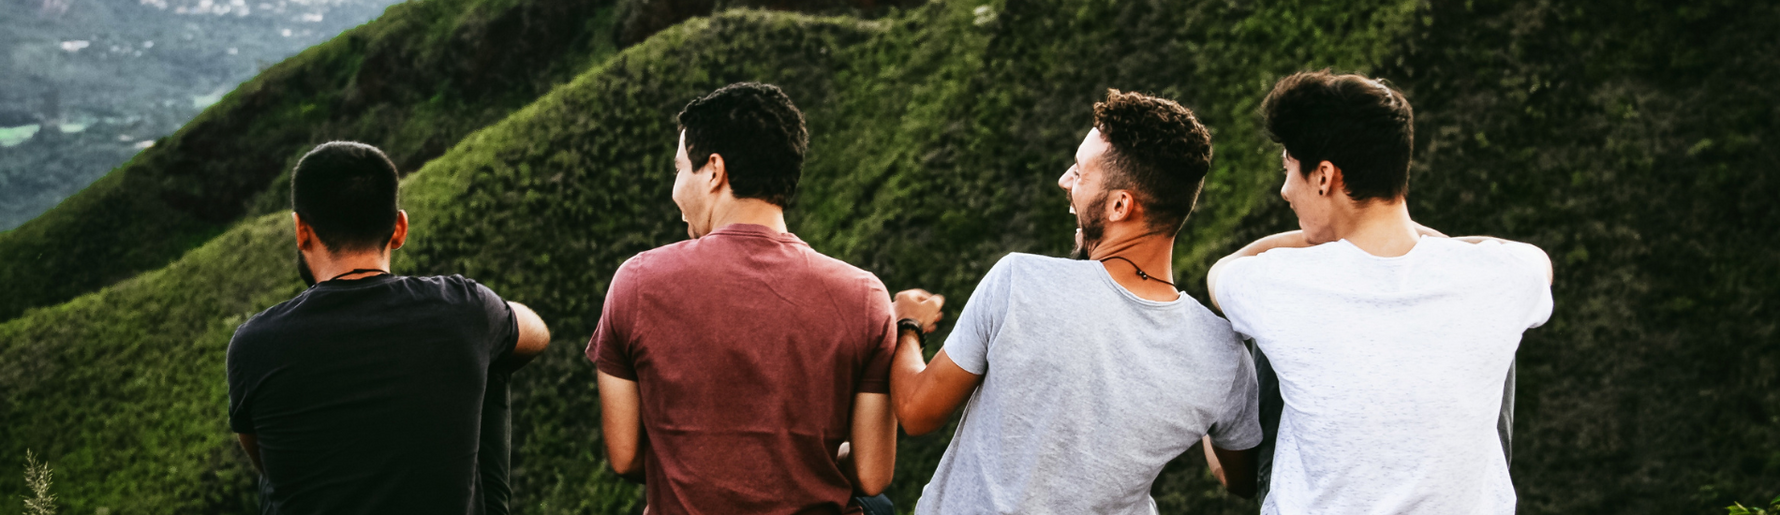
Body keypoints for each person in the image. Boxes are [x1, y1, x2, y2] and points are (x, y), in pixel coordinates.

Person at [890, 89, 1263, 514]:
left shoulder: (1019, 282)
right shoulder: (1222, 355)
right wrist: (1197, 402)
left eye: (1081, 173)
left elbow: (916, 411)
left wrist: (908, 326)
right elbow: (1242, 480)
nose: (1065, 180)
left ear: (1121, 205)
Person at [1206, 70, 1554, 515]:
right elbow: (1535, 261)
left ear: (1324, 176)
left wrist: (1316, 239)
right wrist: (1423, 239)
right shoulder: (1494, 278)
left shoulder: (1282, 283)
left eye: (1289, 168)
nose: (1284, 190)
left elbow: (1223, 274)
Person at [588, 82, 899, 515]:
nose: (675, 191)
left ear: (714, 170)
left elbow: (625, 456)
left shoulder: (637, 282)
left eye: (680, 170)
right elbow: (871, 473)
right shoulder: (864, 297)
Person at [226, 141, 552, 514]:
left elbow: (268, 465)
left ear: (302, 231)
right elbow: (537, 333)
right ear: (399, 228)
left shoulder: (255, 344)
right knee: (493, 355)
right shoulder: (462, 307)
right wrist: (486, 320)